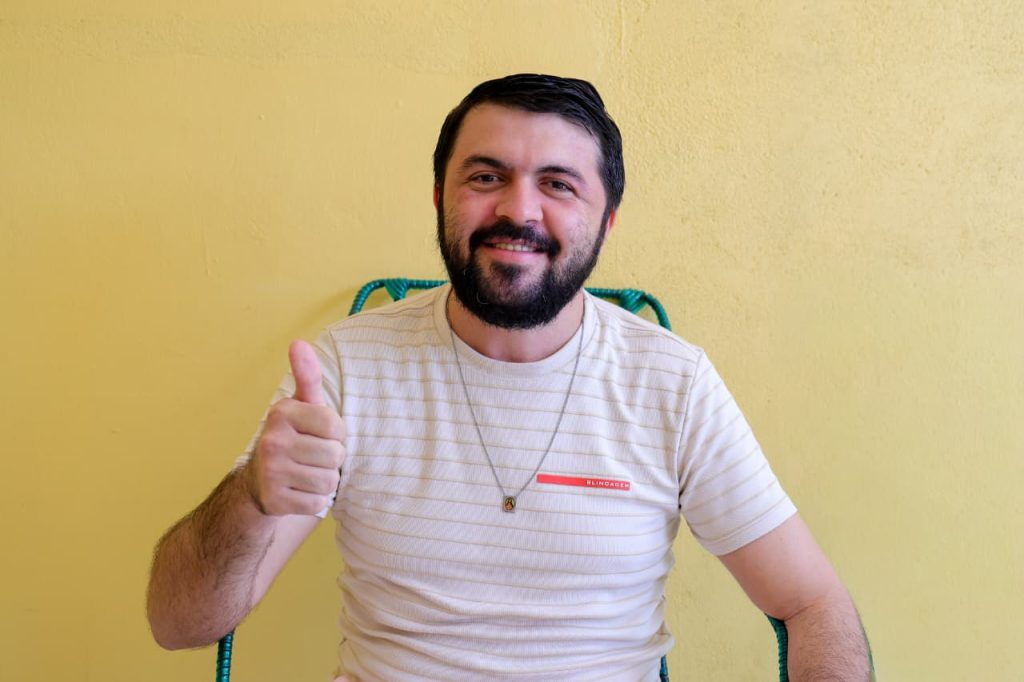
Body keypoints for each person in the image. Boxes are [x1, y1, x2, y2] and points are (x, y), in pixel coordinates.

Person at [147, 74, 870, 681]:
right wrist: (250, 497)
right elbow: (178, 625)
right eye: (486, 176)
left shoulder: (672, 385)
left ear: (607, 221)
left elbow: (811, 604)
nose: (518, 209)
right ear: (440, 196)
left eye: (558, 184)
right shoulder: (344, 369)